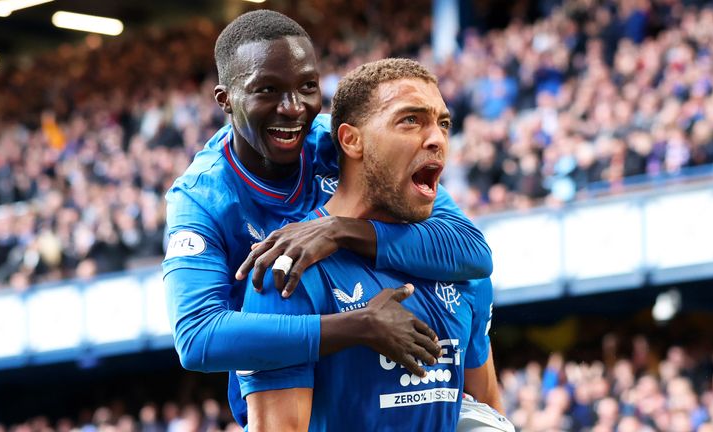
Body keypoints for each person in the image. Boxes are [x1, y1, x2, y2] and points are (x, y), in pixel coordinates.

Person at [162, 10, 494, 427]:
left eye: (307, 87)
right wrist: (358, 326)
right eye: (267, 90)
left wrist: (340, 231)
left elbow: (472, 251)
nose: (292, 108)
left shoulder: (338, 140)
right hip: (284, 385)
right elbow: (197, 337)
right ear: (225, 99)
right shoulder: (202, 197)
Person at [238, 58, 506, 432]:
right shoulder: (289, 270)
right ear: (351, 139)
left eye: (443, 123)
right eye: (410, 120)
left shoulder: (460, 268)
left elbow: (484, 410)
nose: (436, 138)